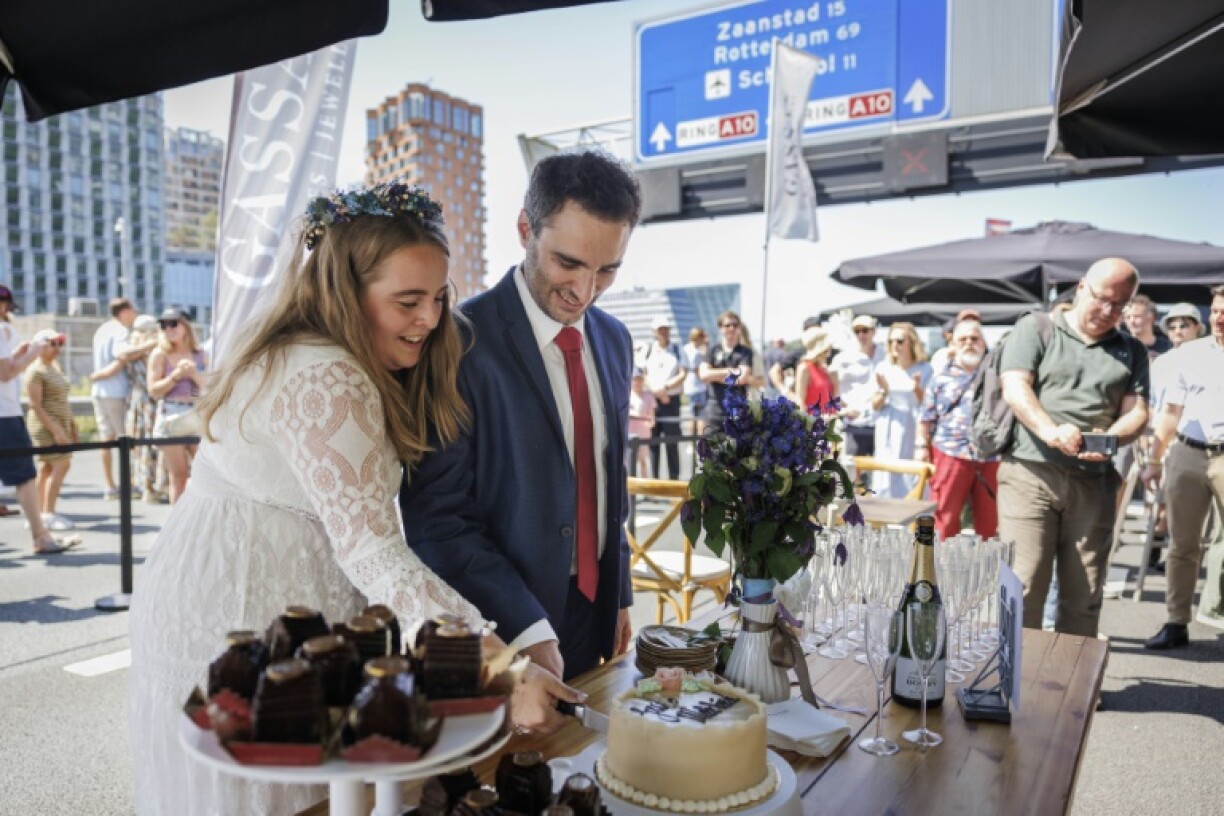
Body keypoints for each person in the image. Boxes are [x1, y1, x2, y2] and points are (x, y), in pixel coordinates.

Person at [127, 181, 579, 816]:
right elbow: (374, 551)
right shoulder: (328, 373)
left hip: (239, 582)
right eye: (408, 301)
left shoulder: (310, 350)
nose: (431, 319)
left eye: (439, 296)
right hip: (244, 600)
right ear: (344, 290)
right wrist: (502, 668)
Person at [400, 150, 641, 684]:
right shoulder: (456, 343)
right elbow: (437, 518)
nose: (585, 290)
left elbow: (608, 483)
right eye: (569, 263)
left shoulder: (616, 340)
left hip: (594, 613)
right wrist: (527, 628)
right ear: (524, 230)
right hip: (498, 622)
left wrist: (619, 592)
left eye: (608, 270)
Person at [998, 258, 1149, 637]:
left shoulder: (1131, 348)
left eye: (1120, 304)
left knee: (1084, 595)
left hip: (1093, 482)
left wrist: (1112, 438)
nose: (1109, 311)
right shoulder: (1037, 327)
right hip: (1031, 473)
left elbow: (1138, 412)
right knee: (1023, 586)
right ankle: (1015, 686)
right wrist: (1050, 430)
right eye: (1102, 299)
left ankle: (1071, 691)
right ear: (1082, 287)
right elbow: (1016, 388)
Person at [1140, 286, 1224, 649]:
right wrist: (1155, 459)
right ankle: (1176, 622)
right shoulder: (1190, 353)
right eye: (1217, 310)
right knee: (1182, 544)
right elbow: (1170, 412)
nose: (1219, 318)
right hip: (1187, 453)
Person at [0, 287, 78, 554]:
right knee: (25, 476)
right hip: (5, 415)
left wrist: (20, 353)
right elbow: (6, 373)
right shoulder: (1, 331)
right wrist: (31, 353)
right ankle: (41, 536)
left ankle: (41, 534)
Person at [917, 319, 999, 538]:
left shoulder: (998, 375)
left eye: (975, 338)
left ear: (984, 343)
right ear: (952, 344)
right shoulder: (940, 378)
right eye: (962, 339)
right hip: (950, 454)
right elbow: (926, 417)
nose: (969, 343)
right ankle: (936, 568)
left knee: (990, 524)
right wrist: (921, 448)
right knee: (944, 519)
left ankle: (989, 570)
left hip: (990, 456)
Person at [146, 308, 207, 504]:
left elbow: (211, 389)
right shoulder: (159, 354)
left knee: (204, 476)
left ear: (186, 326)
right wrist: (175, 376)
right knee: (179, 477)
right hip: (171, 415)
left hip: (196, 414)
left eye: (173, 323)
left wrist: (194, 375)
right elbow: (153, 391)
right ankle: (176, 528)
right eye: (163, 324)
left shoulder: (200, 354)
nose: (168, 328)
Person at [869, 321, 932, 497]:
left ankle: (912, 520)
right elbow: (874, 405)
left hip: (912, 426)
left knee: (909, 475)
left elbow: (926, 404)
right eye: (890, 341)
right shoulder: (883, 367)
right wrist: (884, 390)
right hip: (887, 424)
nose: (894, 345)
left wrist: (917, 388)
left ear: (911, 342)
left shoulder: (925, 368)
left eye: (899, 341)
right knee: (885, 475)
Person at [24, 330, 76, 532]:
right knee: (61, 465)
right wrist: (56, 430)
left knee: (47, 468)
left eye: (59, 343)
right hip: (45, 426)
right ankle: (48, 513)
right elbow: (35, 405)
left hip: (60, 423)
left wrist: (71, 425)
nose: (57, 348)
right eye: (52, 343)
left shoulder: (54, 367)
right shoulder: (35, 371)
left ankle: (38, 515)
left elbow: (62, 399)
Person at [91, 298, 139, 500]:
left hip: (98, 392)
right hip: (115, 392)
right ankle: (126, 484)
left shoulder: (102, 329)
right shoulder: (120, 330)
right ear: (124, 311)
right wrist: (149, 345)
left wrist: (97, 376)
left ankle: (110, 485)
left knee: (106, 440)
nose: (135, 313)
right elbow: (122, 356)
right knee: (123, 440)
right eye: (133, 309)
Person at [831, 314, 884, 456]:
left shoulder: (885, 354)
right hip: (854, 423)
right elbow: (832, 387)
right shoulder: (843, 358)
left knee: (879, 472)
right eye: (857, 331)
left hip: (880, 421)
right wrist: (842, 408)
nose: (861, 335)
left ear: (874, 331)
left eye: (865, 330)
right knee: (853, 470)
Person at [700, 310, 762, 431]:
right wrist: (732, 371)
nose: (731, 328)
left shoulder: (745, 352)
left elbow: (743, 377)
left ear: (739, 328)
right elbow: (703, 375)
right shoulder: (712, 351)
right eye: (727, 325)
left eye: (735, 325)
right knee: (712, 449)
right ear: (720, 328)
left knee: (738, 450)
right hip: (714, 412)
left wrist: (715, 374)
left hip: (737, 413)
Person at [642, 315, 686, 480]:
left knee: (671, 441)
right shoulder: (648, 350)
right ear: (654, 332)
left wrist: (665, 389)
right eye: (660, 329)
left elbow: (683, 374)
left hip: (671, 400)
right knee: (653, 442)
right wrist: (656, 391)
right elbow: (644, 374)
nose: (664, 332)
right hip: (653, 401)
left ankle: (674, 480)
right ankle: (654, 480)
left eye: (666, 328)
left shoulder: (676, 349)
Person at [792, 324, 837, 412]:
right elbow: (800, 401)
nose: (829, 352)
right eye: (826, 349)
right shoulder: (804, 368)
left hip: (828, 422)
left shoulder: (824, 369)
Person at [1123, 293, 1172, 359]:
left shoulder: (1168, 347)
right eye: (1128, 317)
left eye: (1137, 316)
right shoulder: (1121, 347)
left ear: (1152, 318)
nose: (1132, 321)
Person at [681, 326, 709, 436]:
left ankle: (690, 443)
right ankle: (700, 441)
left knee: (692, 415)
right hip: (698, 386)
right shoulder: (697, 352)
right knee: (701, 416)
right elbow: (699, 371)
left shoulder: (685, 348)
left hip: (689, 385)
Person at [628, 367, 656, 477]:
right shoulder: (627, 395)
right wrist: (640, 416)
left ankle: (646, 490)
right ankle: (629, 491)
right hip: (630, 434)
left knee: (643, 461)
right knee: (629, 462)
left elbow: (651, 415)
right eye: (635, 379)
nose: (637, 382)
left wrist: (651, 422)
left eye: (640, 379)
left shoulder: (648, 395)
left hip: (644, 434)